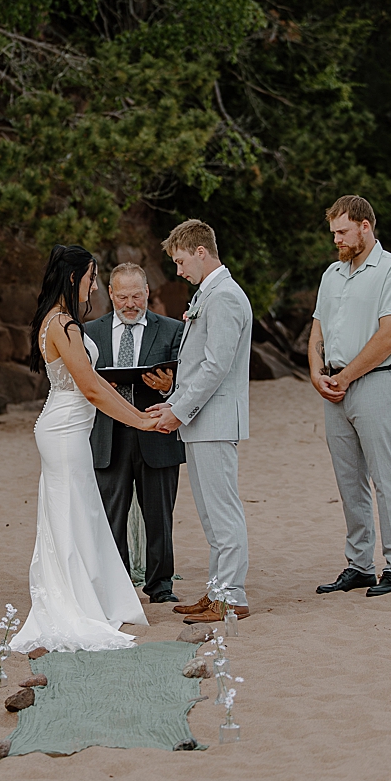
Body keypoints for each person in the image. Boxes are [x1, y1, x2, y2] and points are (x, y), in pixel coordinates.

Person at [10, 245, 161, 653]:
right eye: (92, 277)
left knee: (78, 511)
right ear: (76, 277)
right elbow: (92, 388)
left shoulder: (51, 321)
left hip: (62, 425)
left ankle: (90, 596)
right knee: (71, 513)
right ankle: (76, 603)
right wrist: (141, 419)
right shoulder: (66, 326)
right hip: (65, 431)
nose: (94, 284)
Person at [308, 195, 391, 598]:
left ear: (365, 227)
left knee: (386, 478)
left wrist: (347, 377)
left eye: (342, 232)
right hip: (335, 387)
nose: (336, 239)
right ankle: (359, 565)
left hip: (378, 383)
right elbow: (318, 331)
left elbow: (390, 335)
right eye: (333, 232)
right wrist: (317, 374)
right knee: (349, 480)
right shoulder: (332, 275)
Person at [146, 220, 254, 625]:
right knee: (211, 512)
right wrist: (173, 401)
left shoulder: (224, 296)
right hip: (203, 420)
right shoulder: (209, 294)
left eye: (180, 260)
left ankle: (231, 597)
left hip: (216, 419)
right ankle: (218, 591)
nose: (178, 270)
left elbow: (215, 366)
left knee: (223, 510)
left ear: (201, 252)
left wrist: (177, 410)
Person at [84, 262, 185, 605]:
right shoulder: (89, 332)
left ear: (147, 293)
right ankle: (118, 584)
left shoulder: (171, 330)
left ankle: (160, 586)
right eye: (123, 296)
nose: (130, 304)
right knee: (112, 514)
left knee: (159, 514)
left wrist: (170, 387)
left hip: (156, 431)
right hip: (108, 436)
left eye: (137, 296)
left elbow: (188, 381)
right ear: (110, 293)